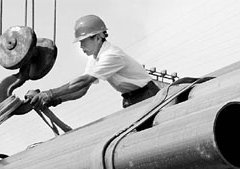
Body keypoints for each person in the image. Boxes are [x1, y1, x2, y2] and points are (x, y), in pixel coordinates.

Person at [29, 14, 159, 109]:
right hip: (130, 98)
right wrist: (57, 99)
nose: (81, 47)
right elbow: (82, 89)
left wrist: (49, 94)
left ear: (97, 38)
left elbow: (82, 82)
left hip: (147, 95)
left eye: (83, 42)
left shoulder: (111, 55)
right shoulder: (95, 58)